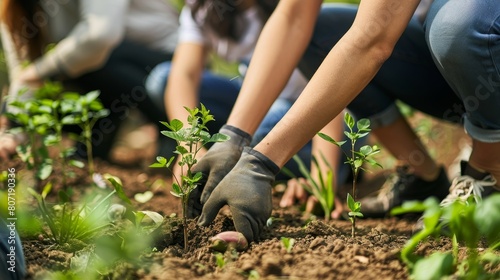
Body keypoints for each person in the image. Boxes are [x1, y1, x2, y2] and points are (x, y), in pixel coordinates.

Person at [185, 0, 500, 243]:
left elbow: (373, 38)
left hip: (481, 41)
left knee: (460, 26)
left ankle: (485, 171)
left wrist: (261, 163)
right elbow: (293, 19)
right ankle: (424, 180)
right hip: (458, 74)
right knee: (319, 35)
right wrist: (233, 137)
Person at [145, 0, 359, 219]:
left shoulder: (295, 9)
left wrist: (323, 178)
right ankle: (227, 154)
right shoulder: (205, 8)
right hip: (257, 106)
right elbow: (184, 75)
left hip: (323, 121)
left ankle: (257, 160)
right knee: (162, 78)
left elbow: (330, 92)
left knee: (262, 132)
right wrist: (189, 147)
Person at [0, 0, 180, 162]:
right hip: (97, 68)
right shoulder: (13, 6)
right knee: (72, 63)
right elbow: (22, 74)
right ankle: (94, 145)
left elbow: (100, 36)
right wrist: (14, 130)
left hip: (163, 63)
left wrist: (37, 73)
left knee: (87, 57)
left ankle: (172, 133)